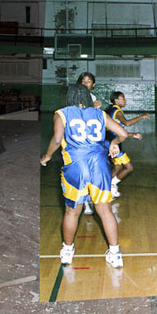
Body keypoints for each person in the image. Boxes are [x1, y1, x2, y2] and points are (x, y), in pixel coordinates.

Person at [40, 83, 128, 268]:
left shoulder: (62, 113)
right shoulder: (99, 113)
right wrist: (114, 142)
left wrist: (47, 156)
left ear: (69, 97)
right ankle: (115, 254)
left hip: (76, 167)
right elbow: (123, 134)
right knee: (105, 211)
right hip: (99, 166)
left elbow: (57, 139)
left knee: (72, 212)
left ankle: (67, 252)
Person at [106, 91, 151, 198]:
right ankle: (110, 185)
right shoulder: (117, 111)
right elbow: (127, 123)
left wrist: (132, 134)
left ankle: (107, 187)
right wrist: (142, 116)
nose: (125, 100)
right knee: (129, 168)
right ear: (116, 100)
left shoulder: (112, 111)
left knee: (117, 168)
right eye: (123, 98)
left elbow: (116, 130)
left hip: (111, 142)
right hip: (114, 144)